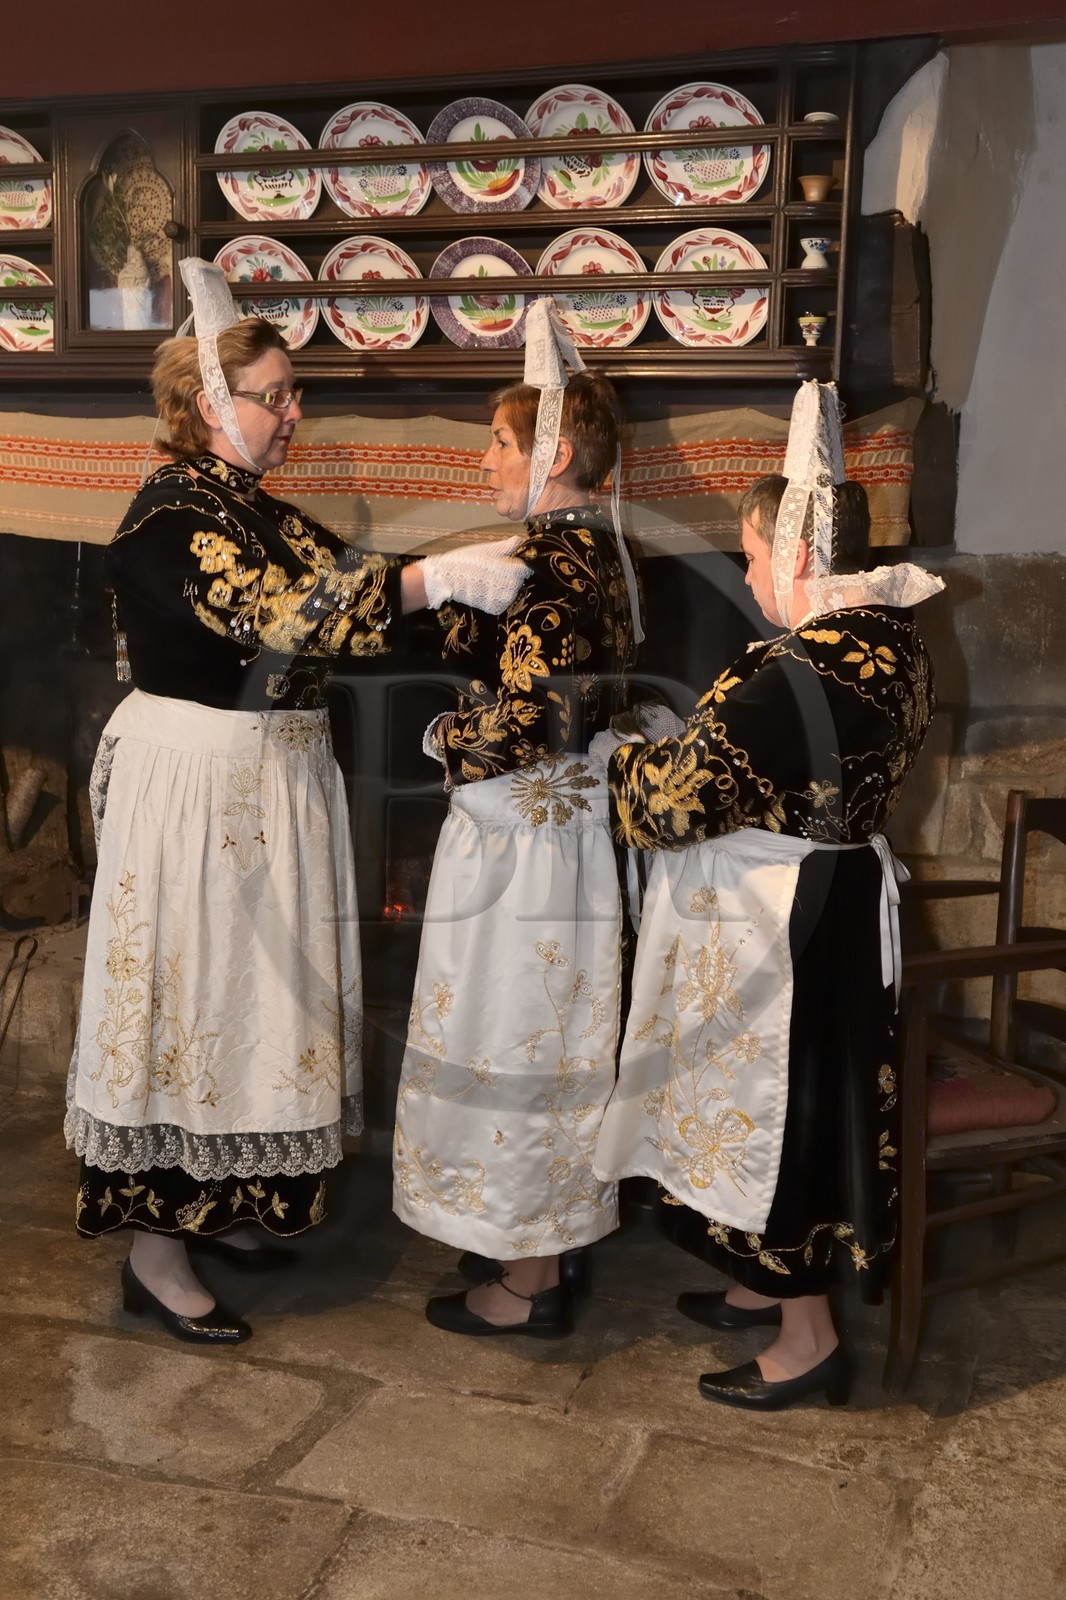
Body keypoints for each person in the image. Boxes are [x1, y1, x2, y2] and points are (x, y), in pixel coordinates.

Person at [65, 259, 529, 1345]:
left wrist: (468, 584)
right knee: (191, 999)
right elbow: (289, 613)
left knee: (246, 996)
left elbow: (356, 579)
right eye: (277, 394)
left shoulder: (252, 505)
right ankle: (154, 1249)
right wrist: (438, 579)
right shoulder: (175, 513)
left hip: (260, 784)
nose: (294, 411)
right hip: (199, 790)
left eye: (290, 392)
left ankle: (213, 1201)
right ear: (208, 407)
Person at [592, 380, 941, 1408]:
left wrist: (621, 758)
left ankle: (806, 1338)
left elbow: (669, 804)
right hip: (833, 896)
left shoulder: (799, 668)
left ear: (790, 553)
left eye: (749, 553)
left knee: (783, 1117)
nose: (746, 573)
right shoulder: (890, 638)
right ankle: (757, 1284)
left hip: (784, 920)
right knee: (799, 1103)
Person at [392, 300, 640, 1337]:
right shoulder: (582, 554)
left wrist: (441, 739)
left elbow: (529, 722)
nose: (485, 458)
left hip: (525, 839)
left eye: (500, 441)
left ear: (558, 451)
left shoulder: (555, 567)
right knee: (533, 1035)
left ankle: (529, 1279)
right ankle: (527, 1238)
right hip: (557, 834)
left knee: (520, 1041)